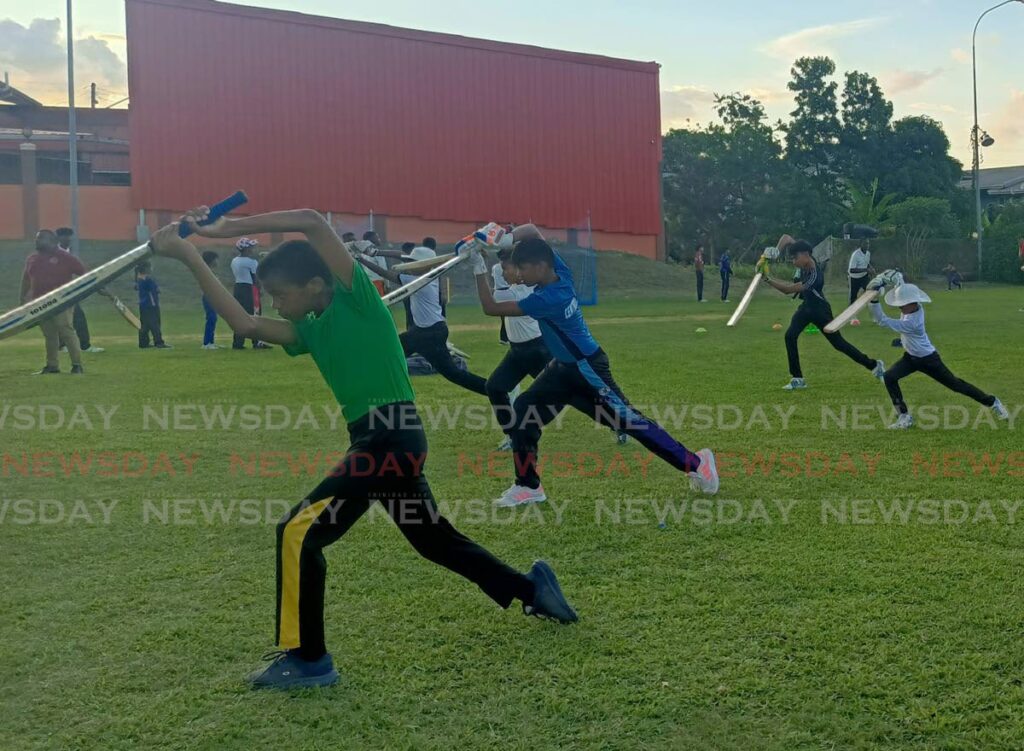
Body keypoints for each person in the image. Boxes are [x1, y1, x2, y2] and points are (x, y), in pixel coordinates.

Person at [148, 206, 577, 690]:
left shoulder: (357, 301)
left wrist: (222, 229)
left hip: (387, 437)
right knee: (435, 542)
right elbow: (245, 326)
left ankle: (308, 659)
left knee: (296, 531)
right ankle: (533, 590)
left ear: (315, 284)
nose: (276, 304)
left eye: (280, 294)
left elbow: (311, 220)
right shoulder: (308, 330)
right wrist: (188, 255)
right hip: (386, 441)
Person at [471, 225, 719, 508]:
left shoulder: (547, 299)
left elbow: (490, 308)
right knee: (524, 411)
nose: (519, 274)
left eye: (522, 269)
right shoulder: (558, 272)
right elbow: (531, 230)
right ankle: (528, 486)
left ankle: (699, 464)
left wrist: (478, 266)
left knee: (631, 423)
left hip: (588, 369)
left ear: (540, 266)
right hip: (561, 369)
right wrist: (505, 238)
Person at [867, 278, 1008, 429]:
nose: (900, 306)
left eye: (903, 303)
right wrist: (891, 279)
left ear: (913, 303)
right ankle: (904, 416)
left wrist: (874, 300)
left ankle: (993, 402)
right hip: (910, 358)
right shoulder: (915, 307)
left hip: (929, 360)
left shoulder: (912, 323)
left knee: (956, 385)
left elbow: (881, 320)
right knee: (889, 377)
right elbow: (902, 286)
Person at [357, 246, 489, 396]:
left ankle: (493, 390)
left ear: (426, 265)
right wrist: (375, 252)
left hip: (431, 334)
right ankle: (376, 388)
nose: (410, 266)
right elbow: (401, 255)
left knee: (454, 374)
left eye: (415, 263)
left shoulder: (421, 281)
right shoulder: (425, 276)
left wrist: (361, 259)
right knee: (388, 353)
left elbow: (387, 274)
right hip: (419, 333)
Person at [761, 235, 885, 390]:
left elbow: (788, 290)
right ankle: (798, 378)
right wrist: (775, 252)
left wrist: (767, 280)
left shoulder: (814, 276)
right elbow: (786, 238)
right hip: (806, 307)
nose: (794, 262)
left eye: (795, 258)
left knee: (839, 344)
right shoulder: (807, 255)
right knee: (790, 336)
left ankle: (874, 365)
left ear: (805, 255)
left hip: (820, 311)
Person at [19, 229, 85, 374]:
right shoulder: (32, 258)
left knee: (66, 330)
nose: (37, 241)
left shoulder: (65, 257)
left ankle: (77, 365)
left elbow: (84, 273)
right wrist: (23, 298)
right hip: (40, 303)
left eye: (42, 238)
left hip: (61, 301)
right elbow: (26, 279)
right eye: (37, 238)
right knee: (49, 334)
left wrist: (76, 292)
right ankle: (52, 365)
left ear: (53, 241)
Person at [56, 227, 104, 354]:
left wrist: (96, 286)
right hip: (56, 293)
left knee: (77, 318)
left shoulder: (68, 253)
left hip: (68, 292)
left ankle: (83, 345)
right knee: (63, 320)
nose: (68, 239)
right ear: (59, 238)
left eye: (69, 237)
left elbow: (82, 272)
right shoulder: (55, 254)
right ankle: (65, 346)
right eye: (65, 236)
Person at [230, 238, 271, 349]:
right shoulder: (251, 262)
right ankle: (257, 342)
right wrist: (260, 290)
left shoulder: (234, 261)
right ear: (246, 249)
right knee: (255, 314)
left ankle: (237, 343)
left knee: (239, 315)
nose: (253, 249)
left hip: (238, 288)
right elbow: (255, 278)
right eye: (251, 247)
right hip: (249, 289)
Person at [135, 261, 171, 349]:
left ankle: (143, 343)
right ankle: (159, 342)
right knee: (155, 323)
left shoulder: (139, 279)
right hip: (151, 304)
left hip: (143, 305)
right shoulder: (147, 279)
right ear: (146, 268)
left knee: (145, 325)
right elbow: (155, 290)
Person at [847, 241, 873, 325]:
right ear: (860, 244)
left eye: (868, 243)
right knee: (853, 297)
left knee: (871, 294)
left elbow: (866, 264)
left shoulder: (868, 253)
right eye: (865, 243)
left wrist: (870, 269)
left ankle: (875, 317)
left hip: (864, 277)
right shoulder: (855, 254)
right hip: (854, 278)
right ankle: (852, 318)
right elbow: (852, 269)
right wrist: (866, 270)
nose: (867, 245)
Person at [200, 250, 221, 349]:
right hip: (208, 297)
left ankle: (211, 342)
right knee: (211, 318)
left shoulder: (209, 271)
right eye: (216, 259)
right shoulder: (206, 271)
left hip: (212, 296)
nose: (217, 262)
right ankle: (206, 343)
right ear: (211, 260)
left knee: (213, 318)